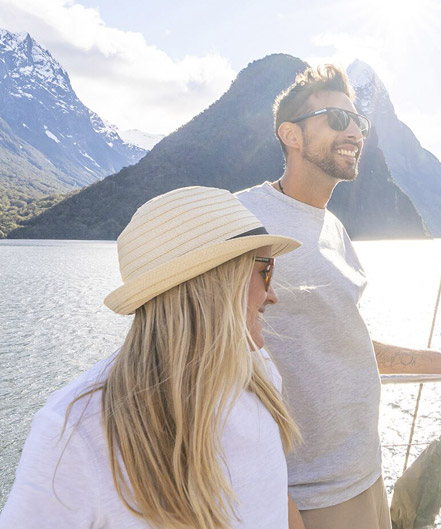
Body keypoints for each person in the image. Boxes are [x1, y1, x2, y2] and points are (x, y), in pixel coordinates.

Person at [236, 64, 441, 529]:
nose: (353, 130)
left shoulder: (334, 229)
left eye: (359, 121)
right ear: (291, 135)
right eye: (336, 118)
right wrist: (276, 499)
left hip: (362, 475)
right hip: (303, 494)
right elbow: (209, 364)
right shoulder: (243, 220)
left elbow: (349, 347)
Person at [0, 186, 306, 529]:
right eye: (266, 271)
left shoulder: (258, 371)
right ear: (213, 282)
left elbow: (278, 500)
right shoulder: (74, 431)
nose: (273, 294)